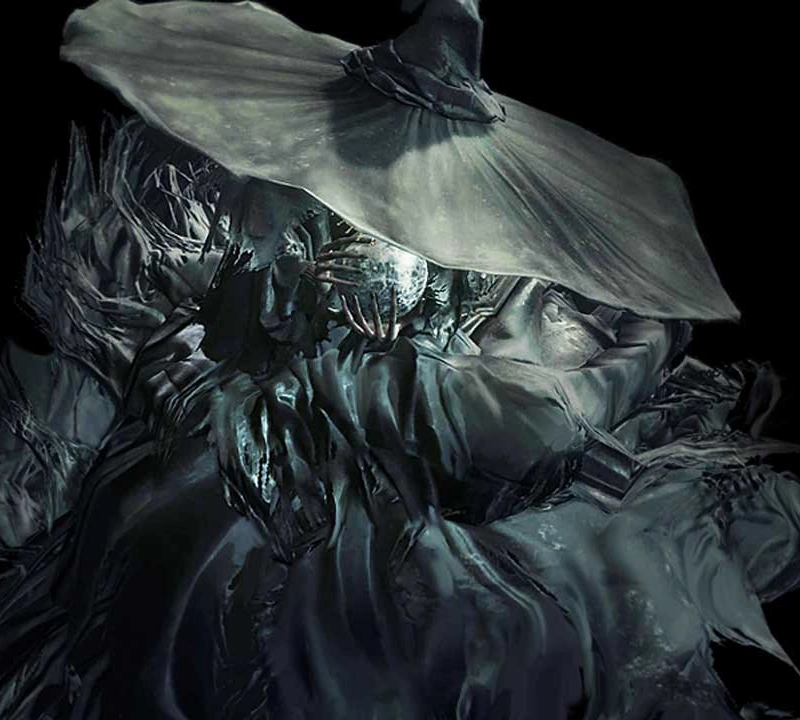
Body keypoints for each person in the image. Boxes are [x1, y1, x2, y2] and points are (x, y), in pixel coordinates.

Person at [1, 1, 798, 718]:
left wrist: (354, 381)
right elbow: (242, 314)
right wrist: (226, 368)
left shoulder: (495, 266)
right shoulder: (291, 196)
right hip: (260, 467)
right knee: (165, 590)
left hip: (381, 495)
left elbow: (512, 425)